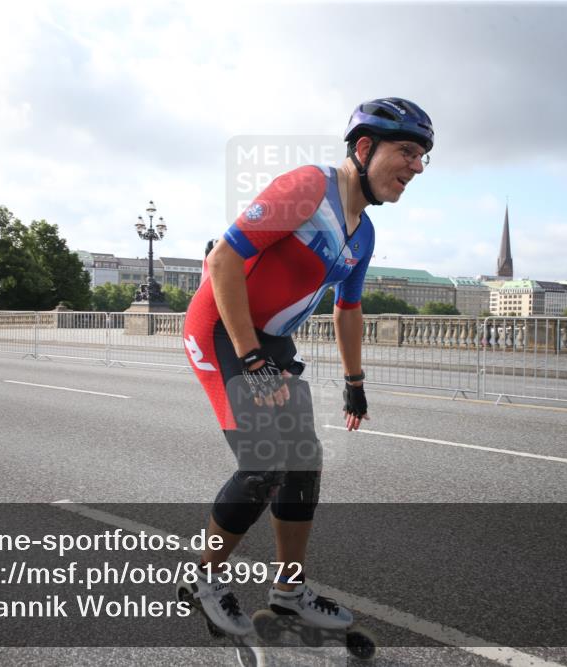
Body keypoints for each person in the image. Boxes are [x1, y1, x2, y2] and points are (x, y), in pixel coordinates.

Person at [180, 98, 434, 635]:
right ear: (364, 148)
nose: (415, 166)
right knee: (264, 464)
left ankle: (289, 593)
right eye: (407, 151)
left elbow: (348, 309)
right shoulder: (306, 188)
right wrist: (250, 358)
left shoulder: (362, 234)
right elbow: (223, 260)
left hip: (269, 340)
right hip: (221, 328)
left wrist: (355, 382)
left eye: (422, 157)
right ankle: (202, 577)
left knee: (303, 465)